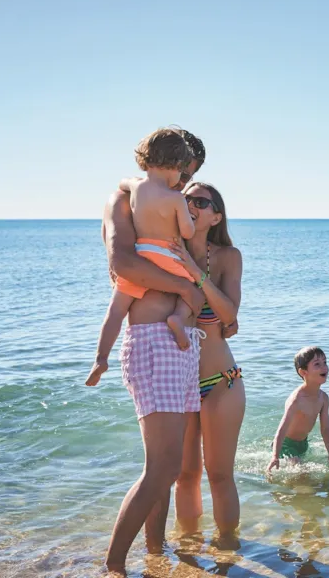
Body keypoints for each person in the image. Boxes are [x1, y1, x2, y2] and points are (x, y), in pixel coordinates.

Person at [98, 128, 237, 576]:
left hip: (184, 351)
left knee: (167, 467)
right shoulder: (126, 201)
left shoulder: (185, 220)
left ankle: (155, 555)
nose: (185, 187)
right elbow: (123, 263)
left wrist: (197, 286)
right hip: (154, 339)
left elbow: (227, 316)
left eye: (192, 179)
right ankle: (115, 564)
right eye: (184, 175)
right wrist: (185, 287)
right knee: (163, 468)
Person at [165, 182, 246, 541]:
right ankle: (188, 551)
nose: (191, 205)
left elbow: (229, 315)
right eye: (186, 199)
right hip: (178, 383)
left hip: (221, 382)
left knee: (219, 474)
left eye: (200, 201)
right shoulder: (166, 252)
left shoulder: (228, 257)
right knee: (184, 475)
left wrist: (195, 272)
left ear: (216, 217)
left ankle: (228, 551)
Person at [86, 129, 198, 388]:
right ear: (177, 166)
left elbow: (122, 182)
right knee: (192, 291)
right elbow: (187, 232)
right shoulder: (176, 198)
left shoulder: (136, 186)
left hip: (142, 254)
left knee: (116, 310)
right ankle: (178, 319)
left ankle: (101, 358)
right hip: (169, 255)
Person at [267, 347, 329, 471]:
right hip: (285, 445)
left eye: (325, 362)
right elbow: (281, 430)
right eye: (317, 364)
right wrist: (275, 457)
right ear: (303, 372)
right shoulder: (296, 400)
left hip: (303, 444)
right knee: (302, 474)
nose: (324, 367)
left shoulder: (323, 398)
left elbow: (325, 429)